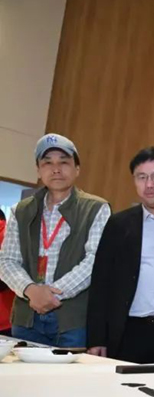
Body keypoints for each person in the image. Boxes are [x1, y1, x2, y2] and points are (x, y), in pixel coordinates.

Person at [0, 134, 110, 347]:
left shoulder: (96, 208)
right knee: (22, 369)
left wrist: (51, 295)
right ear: (38, 171)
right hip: (26, 316)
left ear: (77, 169)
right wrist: (31, 290)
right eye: (48, 163)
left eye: (64, 162)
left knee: (69, 370)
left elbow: (94, 261)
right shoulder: (20, 210)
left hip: (72, 319)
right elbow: (6, 260)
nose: (56, 169)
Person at [87, 147, 154, 363]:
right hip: (129, 331)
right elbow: (100, 283)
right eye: (141, 177)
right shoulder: (118, 224)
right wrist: (96, 338)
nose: (149, 184)